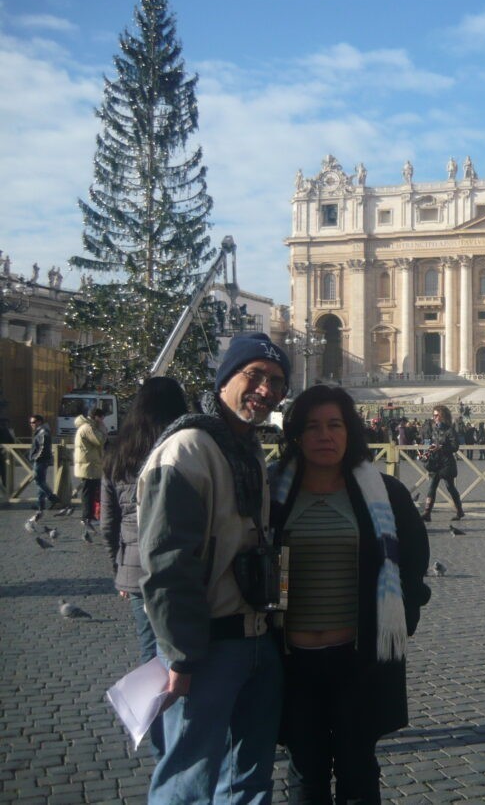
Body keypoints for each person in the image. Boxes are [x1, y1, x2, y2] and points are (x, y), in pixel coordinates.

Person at [138, 332, 291, 802]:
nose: (265, 390)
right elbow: (167, 564)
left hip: (256, 639)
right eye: (255, 376)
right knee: (188, 779)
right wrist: (181, 658)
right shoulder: (187, 450)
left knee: (249, 778)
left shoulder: (246, 448)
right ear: (227, 377)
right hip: (206, 650)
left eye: (277, 382)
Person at [269, 384, 430, 804]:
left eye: (335, 425)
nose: (325, 435)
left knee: (359, 769)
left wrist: (400, 622)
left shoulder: (385, 493)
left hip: (358, 657)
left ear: (349, 431)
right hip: (291, 660)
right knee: (305, 771)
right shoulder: (272, 495)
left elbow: (413, 563)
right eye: (313, 426)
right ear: (297, 435)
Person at [101, 377, 188, 760]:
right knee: (184, 656)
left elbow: (109, 522)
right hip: (181, 569)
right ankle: (185, 735)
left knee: (152, 657)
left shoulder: (118, 451)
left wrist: (118, 569)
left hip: (135, 572)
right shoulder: (181, 448)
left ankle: (159, 743)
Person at [419, 405, 464, 521]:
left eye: (436, 415)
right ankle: (427, 512)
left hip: (446, 463)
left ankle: (459, 511)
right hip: (435, 462)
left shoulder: (450, 430)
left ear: (442, 416)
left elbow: (455, 447)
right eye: (433, 415)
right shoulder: (433, 429)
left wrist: (441, 448)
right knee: (432, 486)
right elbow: (429, 442)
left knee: (450, 487)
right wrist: (425, 452)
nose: (434, 418)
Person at [27, 414, 69, 523]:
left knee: (39, 481)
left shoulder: (43, 432)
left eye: (34, 422)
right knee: (40, 483)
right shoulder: (42, 431)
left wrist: (35, 457)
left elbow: (43, 447)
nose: (32, 424)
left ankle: (53, 498)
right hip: (42, 460)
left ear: (40, 421)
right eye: (31, 422)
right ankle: (41, 507)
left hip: (40, 461)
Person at [74, 406, 108, 536]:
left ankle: (90, 516)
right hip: (88, 465)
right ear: (97, 417)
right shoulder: (88, 428)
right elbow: (100, 441)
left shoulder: (87, 426)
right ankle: (87, 517)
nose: (103, 420)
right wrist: (103, 429)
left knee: (91, 491)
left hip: (90, 464)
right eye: (102, 418)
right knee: (88, 492)